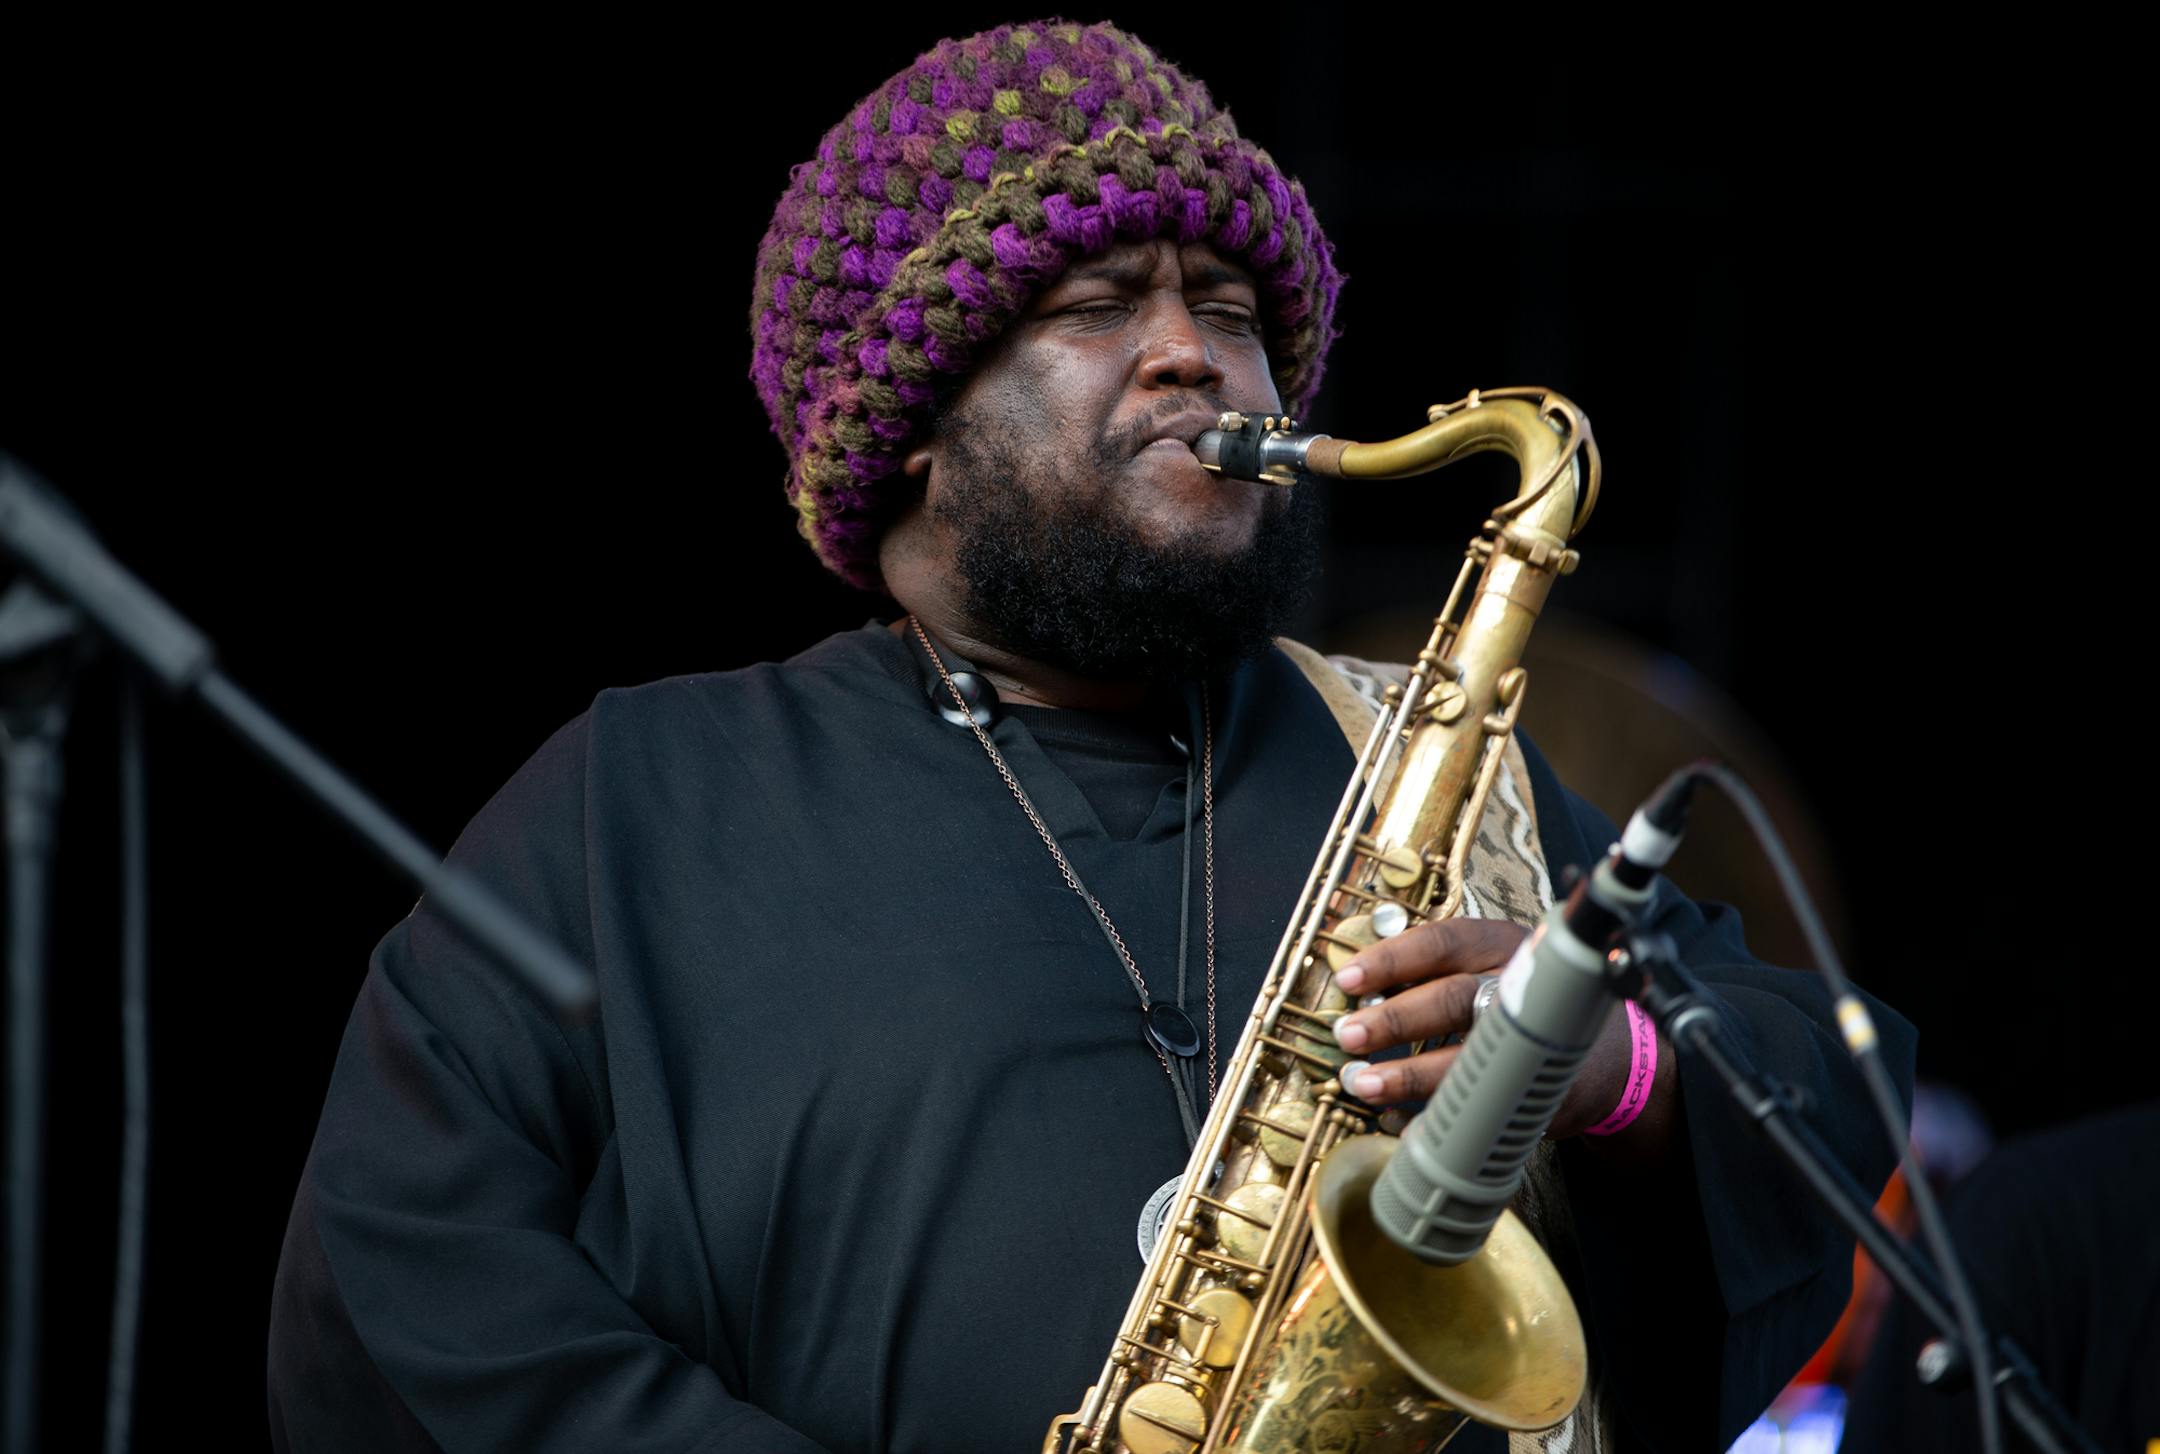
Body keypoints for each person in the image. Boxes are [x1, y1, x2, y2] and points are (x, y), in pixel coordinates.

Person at [266, 20, 1914, 1453]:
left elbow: (1826, 1081)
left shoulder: (1411, 756)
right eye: (1101, 300)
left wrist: (1606, 1065)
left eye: (1228, 304)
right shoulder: (635, 805)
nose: (1197, 350)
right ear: (911, 426)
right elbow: (407, 1280)